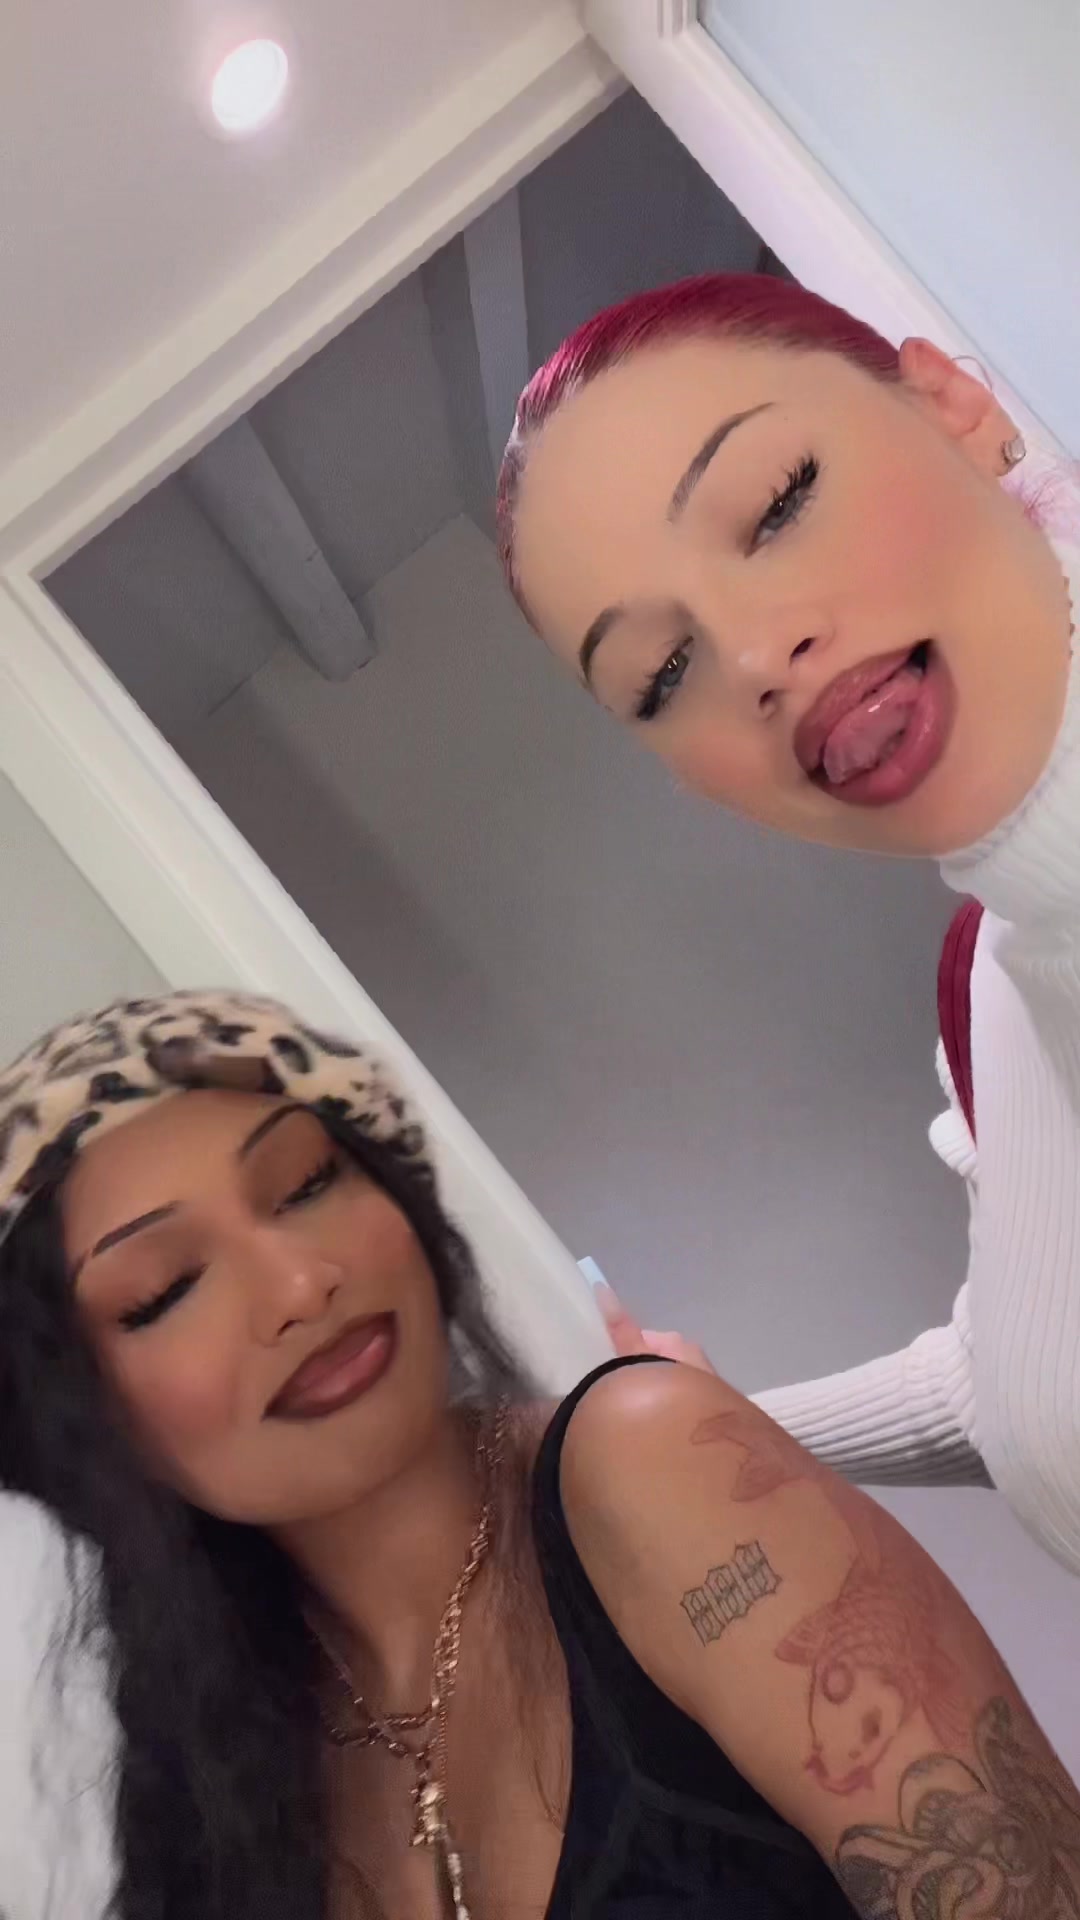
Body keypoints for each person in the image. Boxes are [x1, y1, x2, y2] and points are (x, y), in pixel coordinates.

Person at [1, 990, 1077, 1920]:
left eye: (308, 1184)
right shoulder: (222, 1780)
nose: (299, 1282)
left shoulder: (651, 1462)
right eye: (165, 1290)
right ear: (77, 1429)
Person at [495, 270, 1080, 1577]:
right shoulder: (982, 998)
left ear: (953, 406)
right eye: (662, 676)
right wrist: (681, 1424)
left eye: (775, 506)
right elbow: (1011, 1383)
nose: (756, 660)